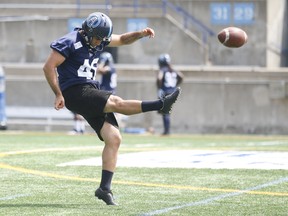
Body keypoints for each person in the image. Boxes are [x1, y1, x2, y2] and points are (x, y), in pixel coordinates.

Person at [43, 12, 181, 205]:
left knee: (114, 138)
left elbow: (123, 40)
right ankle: (162, 104)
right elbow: (48, 67)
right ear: (87, 31)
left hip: (89, 88)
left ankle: (104, 189)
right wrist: (58, 93)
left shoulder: (98, 39)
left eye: (103, 38)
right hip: (75, 91)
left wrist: (140, 34)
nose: (100, 41)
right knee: (117, 103)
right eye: (98, 37)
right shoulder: (70, 41)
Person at [157, 54, 184, 135]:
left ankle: (167, 131)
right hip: (173, 92)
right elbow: (181, 76)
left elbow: (159, 78)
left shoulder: (163, 69)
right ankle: (167, 130)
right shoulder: (173, 69)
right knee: (166, 111)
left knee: (165, 112)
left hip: (165, 92)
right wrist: (175, 85)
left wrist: (159, 87)